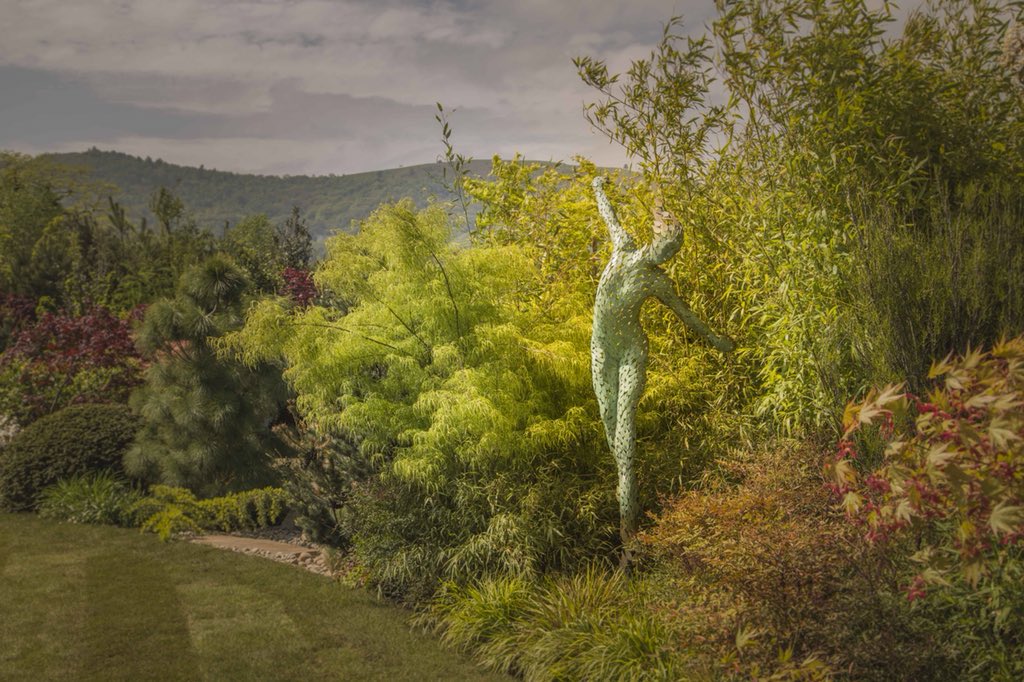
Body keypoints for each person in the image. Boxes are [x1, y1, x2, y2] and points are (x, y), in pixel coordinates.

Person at [590, 176, 734, 563]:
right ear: (657, 240)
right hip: (602, 348)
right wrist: (598, 188)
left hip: (633, 352)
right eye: (666, 246)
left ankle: (629, 533)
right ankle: (627, 512)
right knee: (607, 420)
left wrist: (717, 340)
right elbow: (609, 216)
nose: (666, 254)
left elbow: (687, 316)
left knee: (625, 436)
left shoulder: (658, 281)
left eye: (672, 251)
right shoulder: (623, 248)